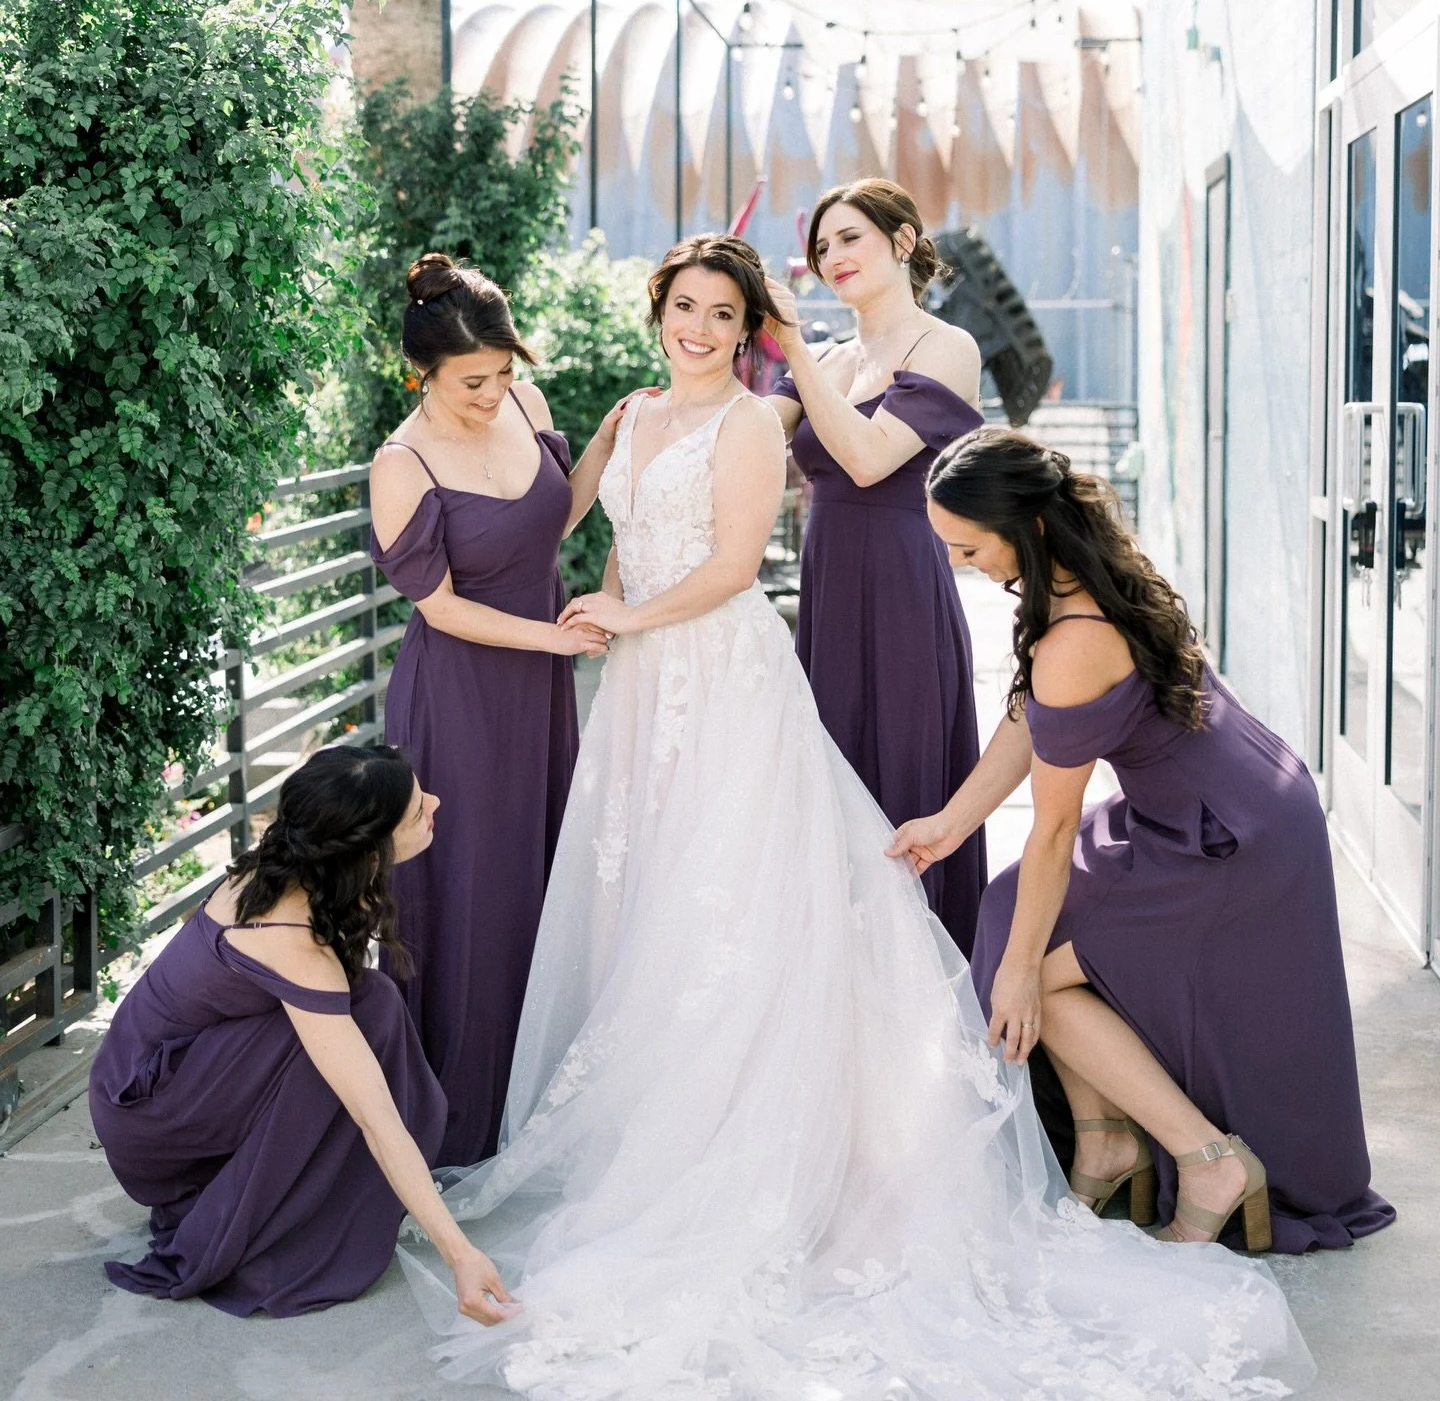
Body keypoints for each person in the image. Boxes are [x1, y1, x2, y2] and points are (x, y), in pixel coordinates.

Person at [397, 234, 1310, 1398]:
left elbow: (732, 567)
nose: (699, 330)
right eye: (683, 308)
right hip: (635, 697)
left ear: (746, 331)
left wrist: (622, 619)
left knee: (735, 902)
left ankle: (759, 1151)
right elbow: (557, 522)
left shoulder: (748, 423)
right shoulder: (627, 414)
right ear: (656, 313)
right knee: (644, 901)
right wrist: (475, 424)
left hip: (719, 677)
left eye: (723, 316)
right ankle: (652, 1127)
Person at [892, 426, 1395, 1255]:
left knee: (1037, 985)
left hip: (1223, 842)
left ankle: (1208, 1161)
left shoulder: (1076, 634)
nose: (959, 564)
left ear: (1025, 527)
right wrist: (953, 822)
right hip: (1231, 797)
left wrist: (1017, 978)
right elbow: (1035, 715)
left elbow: (1054, 829)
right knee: (1011, 906)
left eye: (967, 547)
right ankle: (1109, 1140)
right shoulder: (1082, 572)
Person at [90, 745, 515, 1321]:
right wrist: (458, 1253)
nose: (436, 803)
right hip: (153, 1110)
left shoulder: (294, 863)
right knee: (359, 1036)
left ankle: (290, 1185)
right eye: (418, 810)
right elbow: (375, 1115)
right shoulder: (290, 934)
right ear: (367, 848)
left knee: (373, 1002)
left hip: (165, 1068)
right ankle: (261, 1216)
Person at [369, 254, 618, 1167]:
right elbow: (439, 607)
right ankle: (455, 1119)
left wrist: (607, 446)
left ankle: (536, 1096)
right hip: (460, 700)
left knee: (541, 876)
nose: (495, 393)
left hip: (537, 693)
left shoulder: (528, 408)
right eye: (473, 381)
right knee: (470, 894)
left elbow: (548, 524)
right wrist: (557, 639)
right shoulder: (402, 463)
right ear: (422, 373)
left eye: (506, 372)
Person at [765, 178, 989, 952]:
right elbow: (752, 440)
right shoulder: (825, 357)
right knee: (829, 787)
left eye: (849, 238)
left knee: (899, 780)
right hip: (827, 596)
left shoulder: (946, 348)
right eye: (821, 247)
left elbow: (865, 459)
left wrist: (789, 345)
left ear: (901, 241)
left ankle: (922, 996)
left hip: (901, 592)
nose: (832, 258)